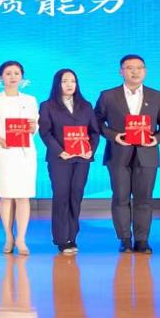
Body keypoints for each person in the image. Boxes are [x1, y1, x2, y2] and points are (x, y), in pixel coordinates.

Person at [94, 54, 160, 254]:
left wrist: (157, 138)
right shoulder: (108, 95)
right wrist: (114, 136)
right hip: (118, 153)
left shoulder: (157, 96)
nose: (135, 72)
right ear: (121, 71)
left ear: (145, 71)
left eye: (139, 68)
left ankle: (142, 240)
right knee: (120, 198)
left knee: (144, 199)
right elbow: (96, 121)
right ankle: (124, 239)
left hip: (147, 154)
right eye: (129, 68)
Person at [38, 68, 100, 255]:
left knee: (76, 196)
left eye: (73, 81)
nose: (69, 85)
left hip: (82, 159)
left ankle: (72, 236)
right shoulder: (47, 106)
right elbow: (45, 132)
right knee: (61, 196)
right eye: (65, 81)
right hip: (60, 159)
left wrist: (90, 150)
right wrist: (60, 151)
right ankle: (61, 238)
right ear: (57, 84)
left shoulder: (86, 105)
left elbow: (94, 131)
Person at [0, 61, 39, 255]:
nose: (12, 77)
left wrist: (33, 127)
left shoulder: (30, 100)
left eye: (16, 73)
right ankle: (8, 237)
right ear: (1, 77)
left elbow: (35, 125)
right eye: (8, 73)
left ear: (22, 77)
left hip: (25, 152)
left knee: (23, 196)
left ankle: (21, 239)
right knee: (6, 195)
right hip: (3, 151)